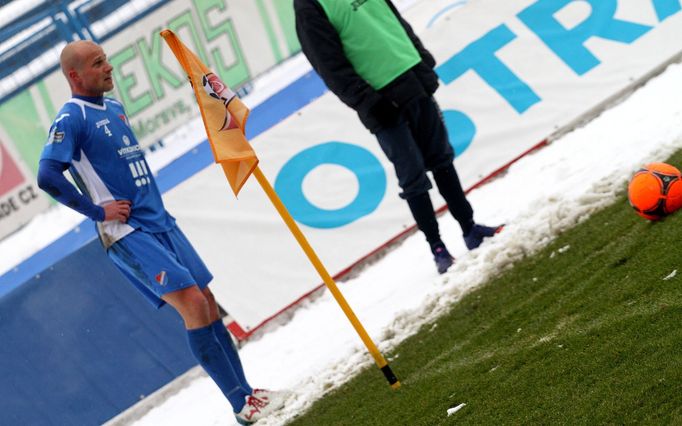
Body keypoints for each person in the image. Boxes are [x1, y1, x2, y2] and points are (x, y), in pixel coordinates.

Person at [37, 40, 282, 425]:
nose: (109, 67)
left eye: (106, 59)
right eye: (98, 63)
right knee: (193, 304)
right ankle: (239, 403)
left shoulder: (114, 108)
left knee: (206, 298)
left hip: (159, 220)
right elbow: (48, 175)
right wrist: (97, 211)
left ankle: (248, 393)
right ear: (75, 75)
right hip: (127, 231)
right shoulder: (71, 118)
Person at [294, 0, 503, 274]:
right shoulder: (309, 6)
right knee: (413, 177)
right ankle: (437, 248)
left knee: (442, 159)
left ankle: (469, 228)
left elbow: (393, 21)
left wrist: (421, 60)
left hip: (411, 78)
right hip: (380, 102)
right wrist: (368, 101)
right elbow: (329, 66)